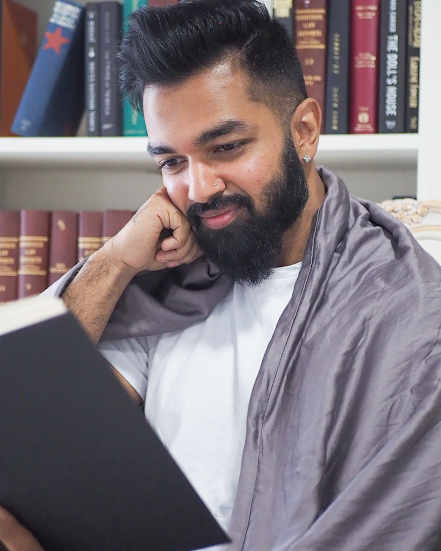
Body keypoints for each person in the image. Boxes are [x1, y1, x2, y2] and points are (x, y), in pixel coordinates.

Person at [2, 0, 441, 549]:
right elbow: (31, 418)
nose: (199, 188)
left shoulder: (412, 314)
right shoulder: (163, 290)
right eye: (171, 162)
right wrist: (115, 260)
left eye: (226, 147)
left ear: (304, 130)